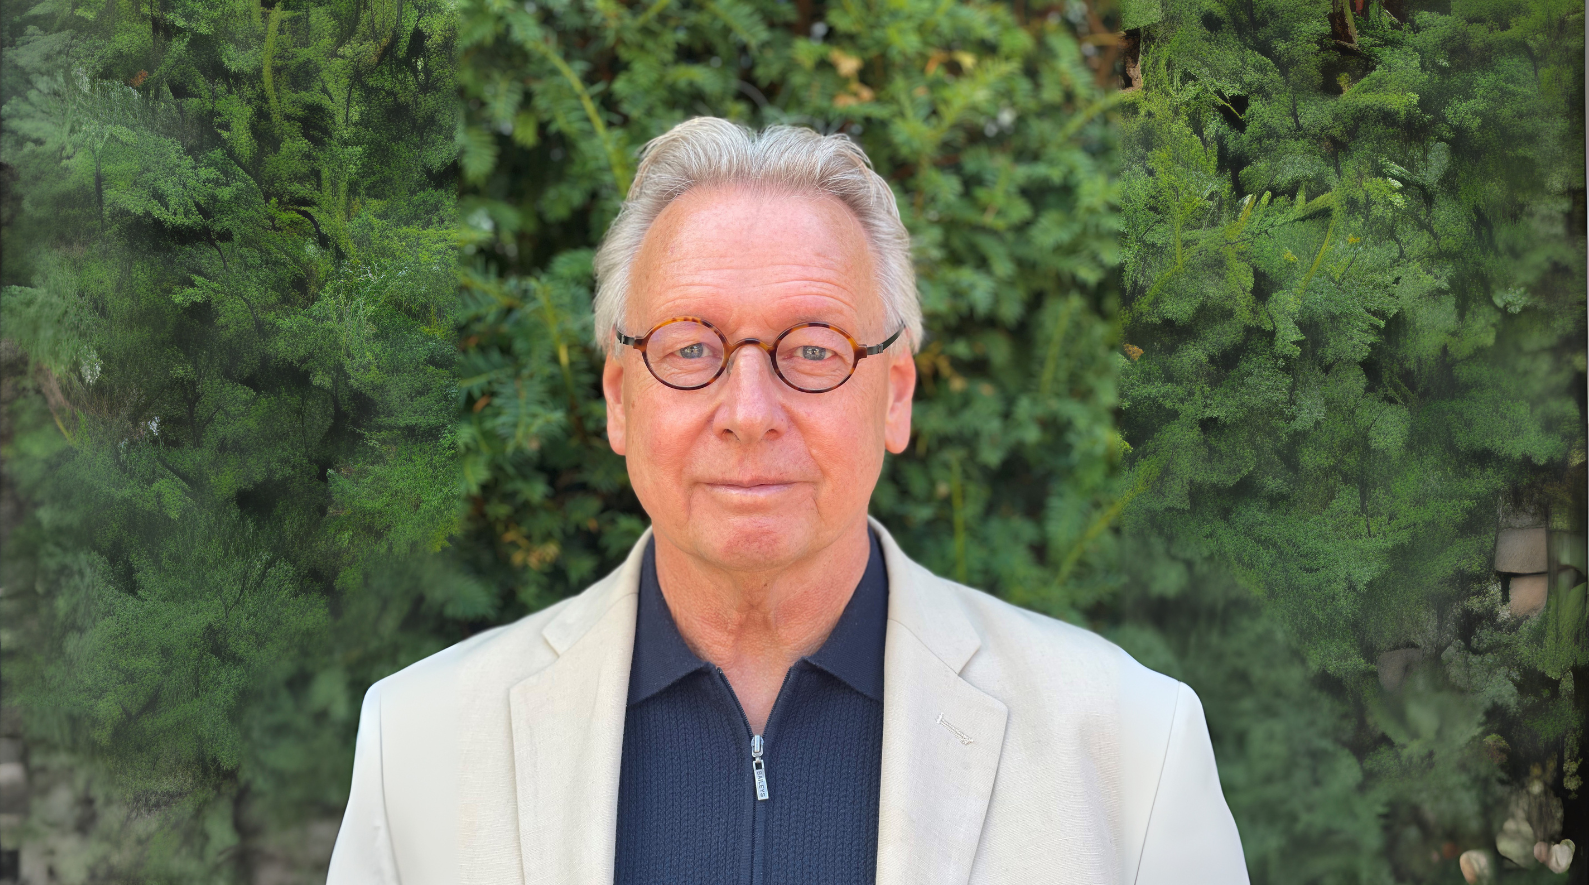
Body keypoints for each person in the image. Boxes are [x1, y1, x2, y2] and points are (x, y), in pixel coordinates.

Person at [327, 118, 1248, 885]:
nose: (749, 413)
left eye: (813, 349)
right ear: (618, 396)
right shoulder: (420, 740)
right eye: (690, 349)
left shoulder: (1129, 745)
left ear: (893, 393)